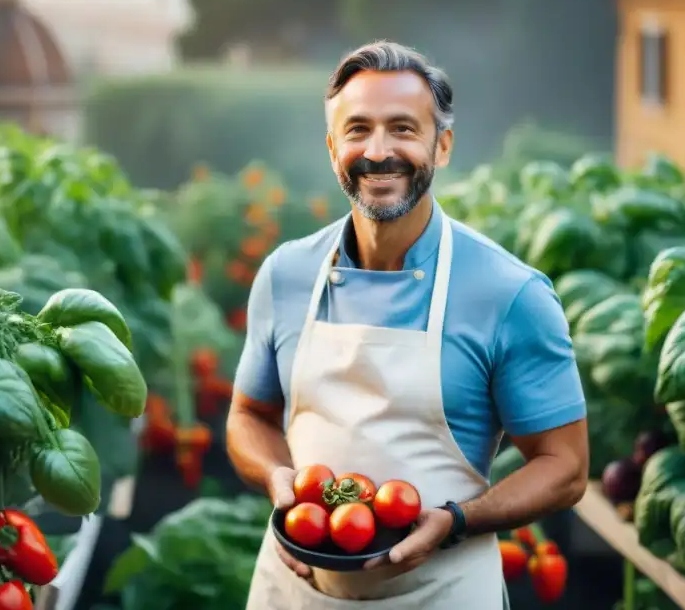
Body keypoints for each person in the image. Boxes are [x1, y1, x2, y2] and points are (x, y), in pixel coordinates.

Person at [226, 41, 589, 609]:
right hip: (292, 592)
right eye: (357, 130)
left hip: (442, 592)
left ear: (441, 145)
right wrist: (278, 482)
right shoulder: (286, 275)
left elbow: (565, 466)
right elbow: (249, 415)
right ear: (331, 147)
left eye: (402, 129)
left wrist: (459, 519)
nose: (378, 152)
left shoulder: (509, 293)